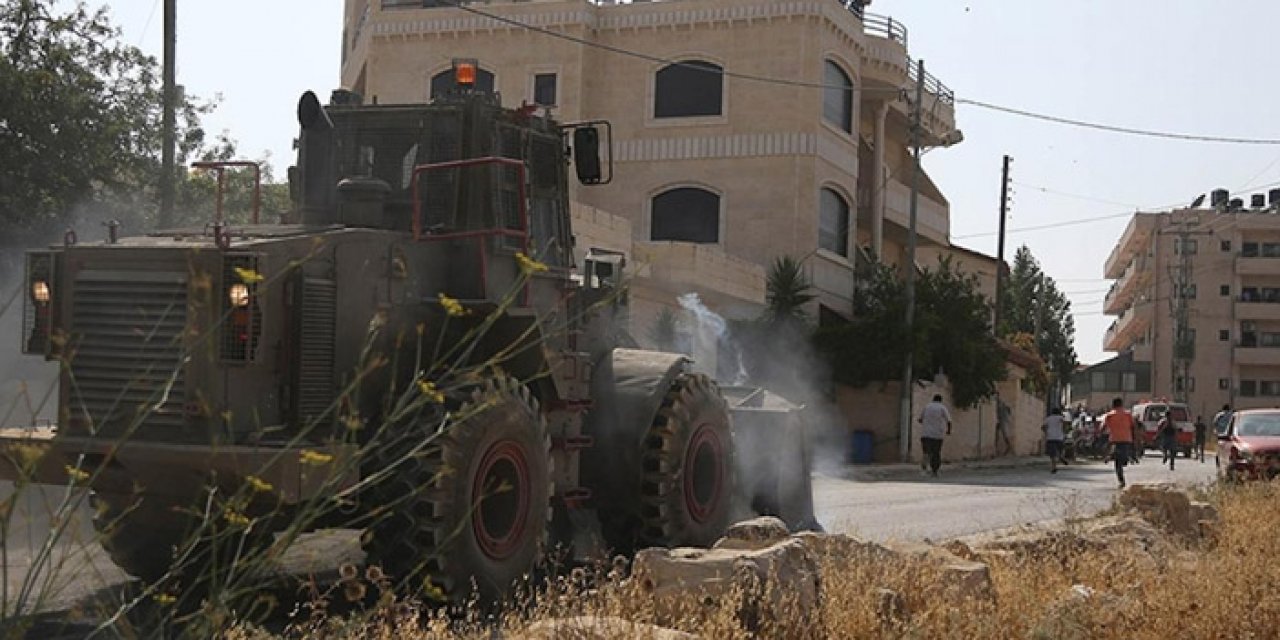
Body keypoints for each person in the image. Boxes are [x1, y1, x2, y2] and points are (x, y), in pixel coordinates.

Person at [1101, 397, 1136, 489]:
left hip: (1114, 439)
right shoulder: (1128, 414)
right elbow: (1133, 426)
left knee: (1118, 464)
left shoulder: (1109, 415)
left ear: (1113, 405)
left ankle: (1121, 480)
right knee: (1123, 459)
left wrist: (1101, 433)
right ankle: (1125, 457)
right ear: (1121, 404)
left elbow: (1103, 426)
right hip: (1127, 439)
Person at [918, 394, 952, 477]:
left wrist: (926, 422)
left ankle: (923, 469)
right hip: (937, 435)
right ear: (940, 400)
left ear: (933, 399)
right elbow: (949, 420)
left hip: (926, 434)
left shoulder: (927, 407)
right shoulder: (942, 408)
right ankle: (935, 471)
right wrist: (948, 431)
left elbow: (920, 419)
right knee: (936, 452)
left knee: (926, 452)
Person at [1042, 407, 1066, 473]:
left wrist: (1046, 432)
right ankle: (1061, 456)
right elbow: (1065, 423)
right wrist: (1064, 431)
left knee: (1052, 455)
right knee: (1061, 449)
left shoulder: (1048, 419)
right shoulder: (1060, 418)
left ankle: (1054, 467)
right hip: (1059, 437)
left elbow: (1043, 427)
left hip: (1050, 438)